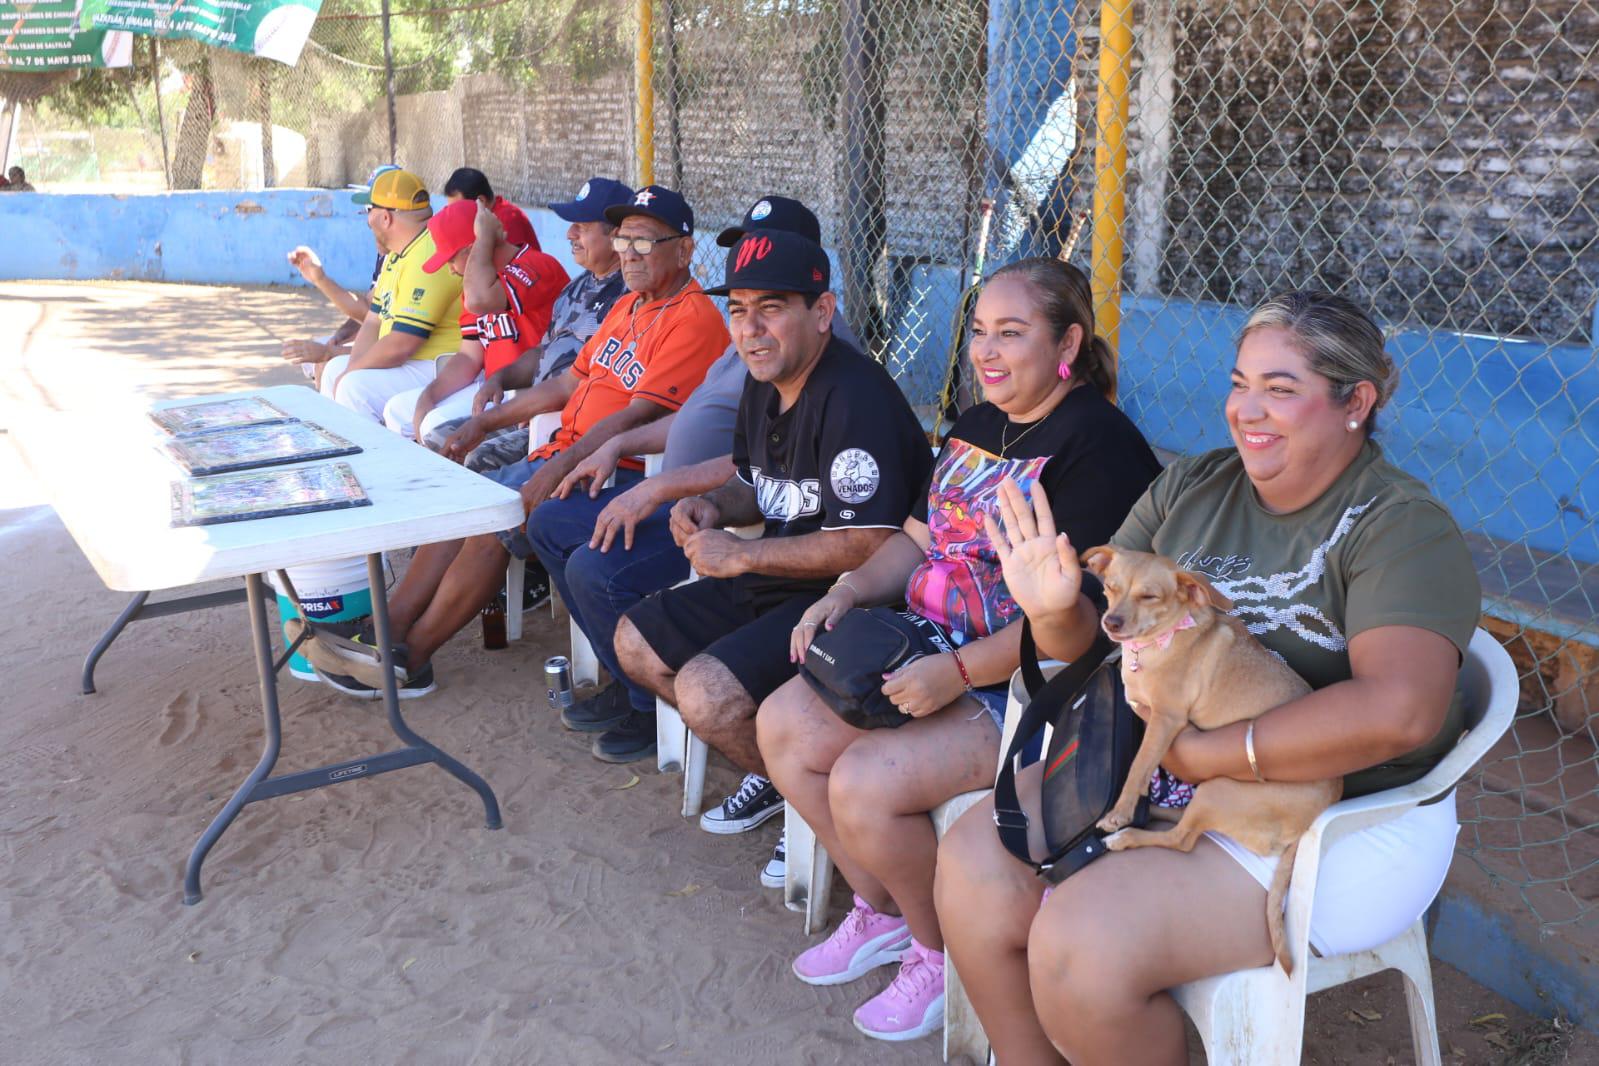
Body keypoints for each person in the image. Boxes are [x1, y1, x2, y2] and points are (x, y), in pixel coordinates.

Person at [935, 290, 1482, 1066]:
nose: (1246, 410)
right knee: (972, 864)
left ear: (1355, 401)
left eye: (1280, 389)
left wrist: (1202, 757)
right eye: (1238, 383)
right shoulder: (1194, 486)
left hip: (1336, 814)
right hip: (1170, 767)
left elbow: (1400, 713)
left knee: (1082, 945)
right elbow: (1097, 637)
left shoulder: (1396, 526)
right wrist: (1052, 609)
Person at [754, 258, 1160, 1041]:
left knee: (866, 782)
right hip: (929, 646)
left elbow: (1074, 615)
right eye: (979, 332)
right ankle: (889, 910)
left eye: (1012, 333)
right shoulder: (976, 424)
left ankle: (937, 954)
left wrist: (957, 673)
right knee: (782, 725)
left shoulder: (1100, 446)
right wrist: (845, 592)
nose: (987, 352)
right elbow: (915, 541)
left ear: (1067, 342)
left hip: (1031, 681)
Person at [313, 185, 727, 698]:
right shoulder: (631, 306)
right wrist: (484, 423)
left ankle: (411, 660)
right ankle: (384, 632)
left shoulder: (693, 319)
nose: (629, 254)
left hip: (620, 470)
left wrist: (556, 467)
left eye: (643, 243)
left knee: (495, 523)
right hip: (565, 451)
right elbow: (566, 383)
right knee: (464, 499)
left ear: (684, 250)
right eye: (623, 241)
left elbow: (633, 419)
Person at [611, 229, 933, 878]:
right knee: (634, 642)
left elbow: (871, 544)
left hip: (853, 600)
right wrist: (712, 509)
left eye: (771, 308)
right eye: (737, 309)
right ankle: (785, 780)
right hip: (775, 577)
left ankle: (812, 806)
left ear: (820, 312)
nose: (749, 328)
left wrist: (742, 557)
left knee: (706, 693)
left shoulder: (854, 397)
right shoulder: (764, 378)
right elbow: (753, 486)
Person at [524, 195, 858, 765]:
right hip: (692, 500)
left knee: (595, 566)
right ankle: (625, 679)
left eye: (766, 260)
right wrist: (623, 446)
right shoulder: (748, 336)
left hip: (747, 528)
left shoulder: (813, 354)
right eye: (740, 257)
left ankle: (644, 706)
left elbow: (765, 466)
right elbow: (712, 423)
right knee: (551, 521)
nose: (747, 268)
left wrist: (656, 488)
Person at [423, 176, 632, 474]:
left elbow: (579, 384)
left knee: (474, 457)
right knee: (438, 440)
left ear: (616, 235)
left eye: (582, 227)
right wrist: (500, 379)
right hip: (536, 408)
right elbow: (542, 352)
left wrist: (526, 408)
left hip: (573, 423)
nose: (570, 234)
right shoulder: (577, 287)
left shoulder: (628, 295)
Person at [379, 198, 569, 440]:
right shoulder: (474, 283)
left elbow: (480, 300)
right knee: (399, 410)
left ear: (473, 248)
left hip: (531, 390)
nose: (449, 269)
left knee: (434, 425)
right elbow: (469, 356)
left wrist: (484, 240)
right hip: (493, 389)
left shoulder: (536, 265)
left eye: (450, 259)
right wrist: (429, 395)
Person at [319, 167, 464, 424]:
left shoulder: (430, 251)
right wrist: (351, 367)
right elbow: (374, 321)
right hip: (414, 362)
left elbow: (402, 344)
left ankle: (374, 461)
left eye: (369, 210)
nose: (367, 219)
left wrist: (352, 373)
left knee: (354, 387)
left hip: (440, 366)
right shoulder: (397, 252)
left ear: (385, 218)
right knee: (335, 372)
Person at [280, 165, 401, 382]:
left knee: (328, 364)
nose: (366, 217)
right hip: (383, 338)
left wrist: (331, 352)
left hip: (402, 352)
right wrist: (340, 337)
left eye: (370, 207)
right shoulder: (386, 251)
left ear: (387, 214)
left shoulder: (405, 252)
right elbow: (370, 306)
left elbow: (372, 317)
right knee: (321, 355)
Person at [443, 166, 540, 250]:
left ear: (481, 201)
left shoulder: (507, 219)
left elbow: (508, 266)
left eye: (459, 209)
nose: (456, 215)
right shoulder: (485, 217)